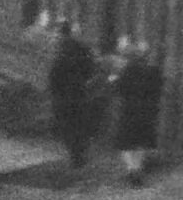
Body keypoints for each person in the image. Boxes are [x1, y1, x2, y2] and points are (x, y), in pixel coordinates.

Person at [46, 21, 106, 175]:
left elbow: (54, 72)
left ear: (61, 33)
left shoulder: (60, 50)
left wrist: (52, 88)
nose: (55, 36)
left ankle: (75, 156)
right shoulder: (82, 48)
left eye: (56, 33)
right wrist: (83, 80)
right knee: (79, 122)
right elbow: (91, 66)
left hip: (62, 94)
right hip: (79, 91)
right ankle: (80, 152)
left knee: (66, 124)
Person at [110, 38, 167, 186]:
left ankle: (132, 169)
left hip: (129, 111)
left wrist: (113, 80)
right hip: (147, 111)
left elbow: (120, 90)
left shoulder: (126, 71)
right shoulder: (154, 71)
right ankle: (138, 169)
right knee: (141, 142)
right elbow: (159, 89)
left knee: (126, 143)